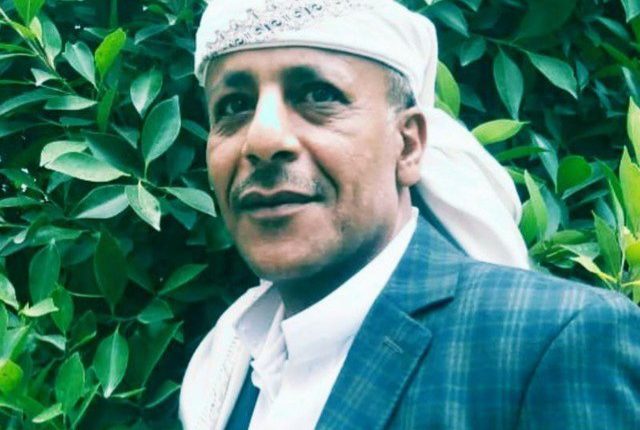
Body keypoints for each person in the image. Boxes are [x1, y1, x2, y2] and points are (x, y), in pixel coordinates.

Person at [180, 1, 640, 429]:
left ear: (409, 144)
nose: (262, 140)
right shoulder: (222, 371)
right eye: (234, 106)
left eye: (319, 94)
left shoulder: (552, 340)